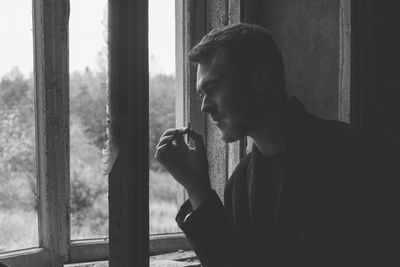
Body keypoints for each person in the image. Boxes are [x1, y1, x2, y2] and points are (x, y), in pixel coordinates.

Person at [155, 23, 399, 266]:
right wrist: (196, 186)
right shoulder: (239, 185)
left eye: (214, 88)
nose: (204, 106)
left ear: (260, 78)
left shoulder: (359, 158)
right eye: (201, 94)